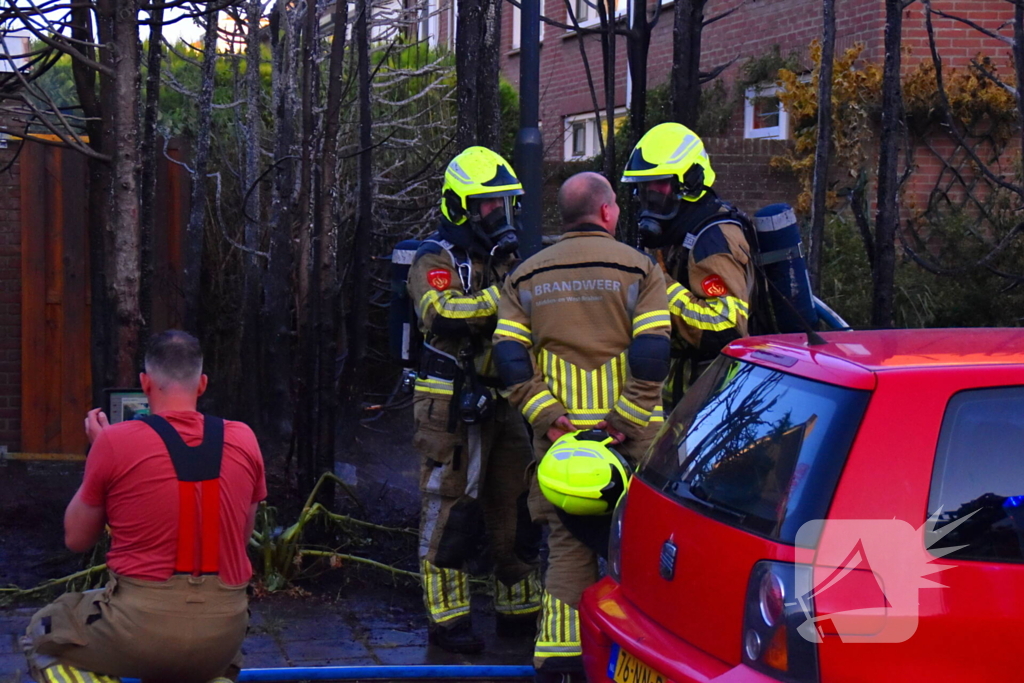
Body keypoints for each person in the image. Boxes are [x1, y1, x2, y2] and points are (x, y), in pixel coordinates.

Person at [493, 172, 671, 682]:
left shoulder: (525, 277)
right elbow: (653, 350)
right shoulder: (639, 270)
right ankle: (636, 664)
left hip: (561, 455)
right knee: (638, 551)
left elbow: (508, 356)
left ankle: (558, 663)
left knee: (567, 554)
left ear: (565, 217)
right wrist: (624, 420)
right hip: (633, 445)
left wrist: (547, 417)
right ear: (608, 212)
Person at [21, 330, 267, 683]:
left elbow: (76, 538)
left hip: (141, 628)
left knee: (43, 632)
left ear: (145, 383)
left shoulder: (115, 442)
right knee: (194, 659)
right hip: (223, 636)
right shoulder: (245, 438)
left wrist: (99, 453)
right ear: (202, 385)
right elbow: (238, 541)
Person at [408, 146, 541, 654]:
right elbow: (440, 313)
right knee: (452, 508)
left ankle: (519, 612)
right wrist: (504, 296)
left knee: (516, 502)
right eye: (489, 206)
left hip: (504, 401)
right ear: (461, 206)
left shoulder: (506, 261)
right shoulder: (434, 256)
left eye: (504, 205)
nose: (500, 216)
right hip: (449, 403)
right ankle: (448, 622)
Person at [621, 122, 755, 407]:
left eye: (659, 185)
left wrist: (657, 281)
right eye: (644, 189)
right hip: (685, 395)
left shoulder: (713, 239)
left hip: (717, 400)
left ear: (691, 181)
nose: (651, 197)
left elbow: (725, 330)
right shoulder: (681, 234)